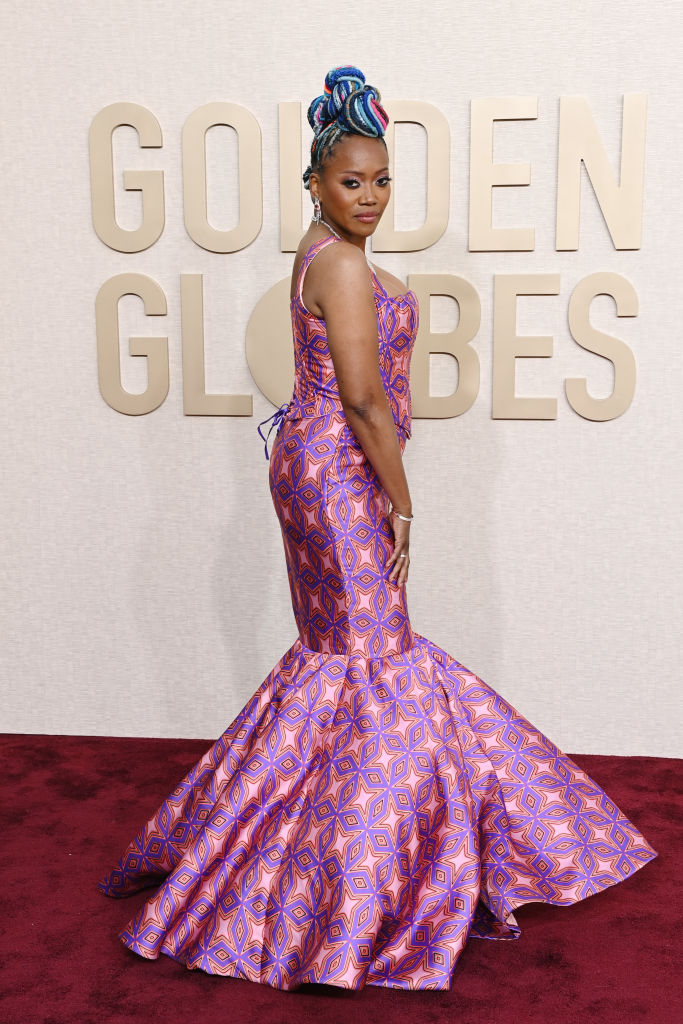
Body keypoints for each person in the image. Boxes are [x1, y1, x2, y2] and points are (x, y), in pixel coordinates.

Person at [99, 66, 658, 992]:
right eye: (351, 181)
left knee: (345, 659)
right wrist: (402, 499)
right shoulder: (343, 264)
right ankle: (350, 890)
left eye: (381, 180)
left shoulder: (316, 251)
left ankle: (308, 854)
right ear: (315, 184)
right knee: (369, 660)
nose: (369, 197)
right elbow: (362, 399)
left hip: (310, 465)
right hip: (341, 471)